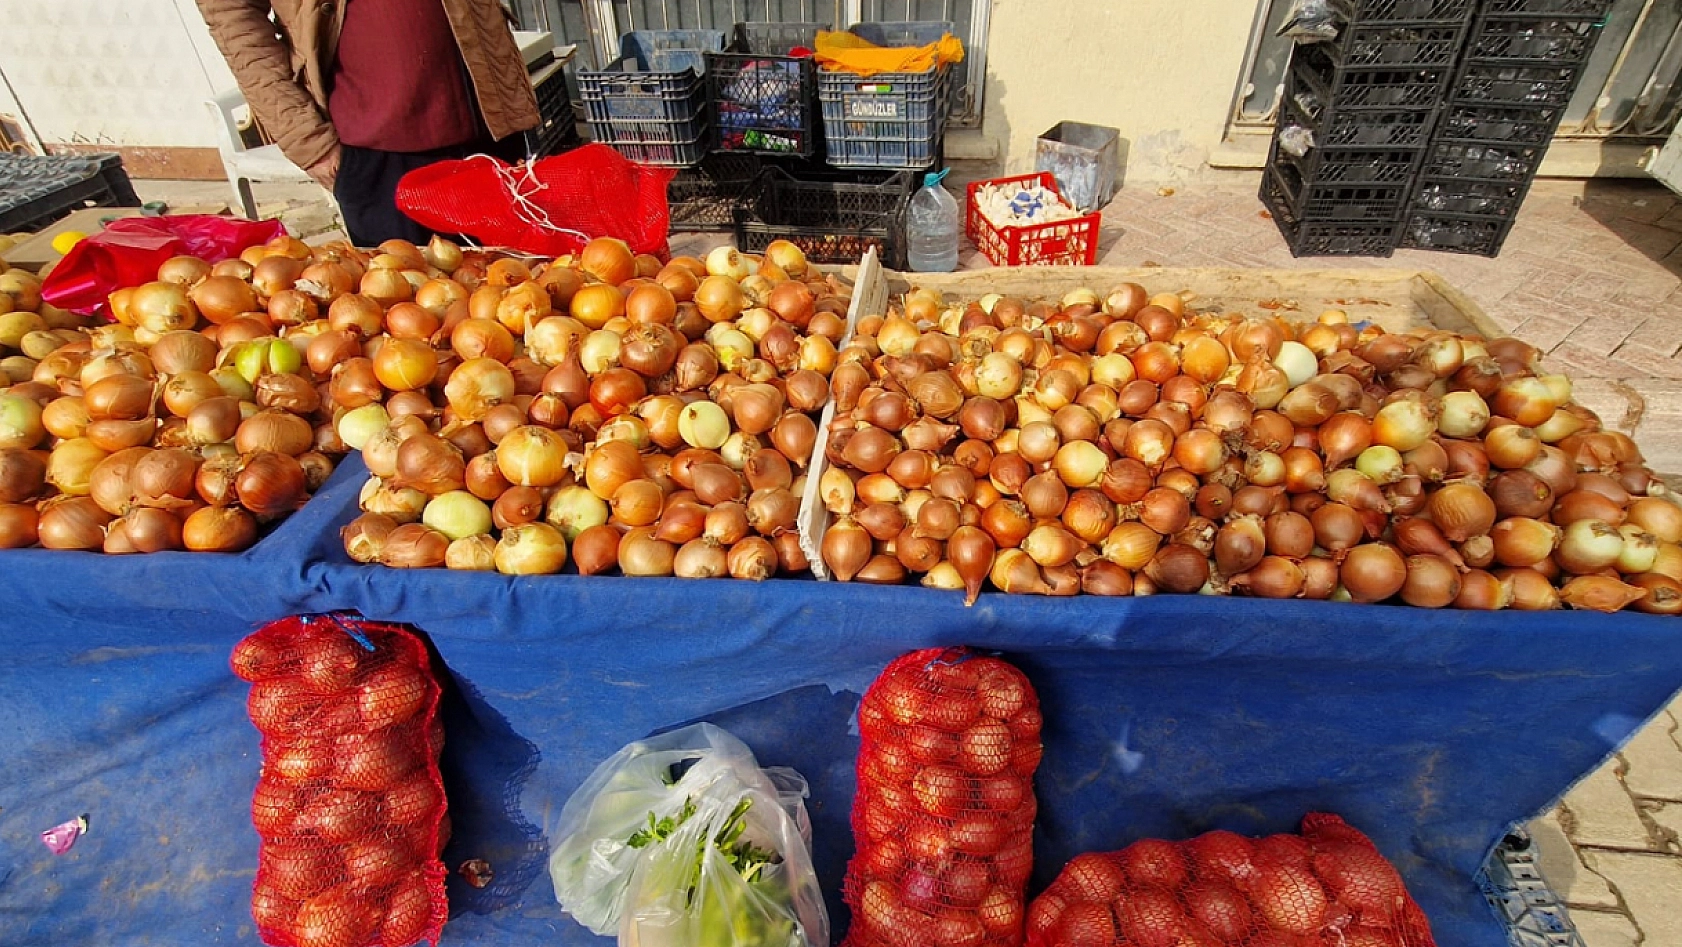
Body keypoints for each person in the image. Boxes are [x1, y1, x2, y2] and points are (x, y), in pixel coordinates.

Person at [196, 0, 540, 246]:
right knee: (408, 319)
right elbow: (230, 13)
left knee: (522, 294)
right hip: (373, 148)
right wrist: (303, 135)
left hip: (490, 123)